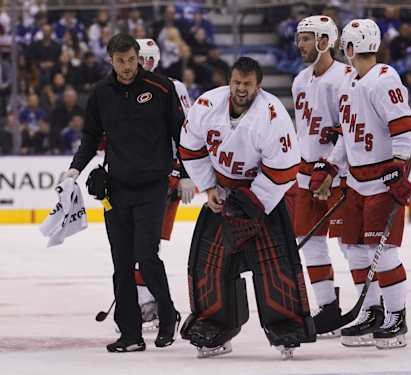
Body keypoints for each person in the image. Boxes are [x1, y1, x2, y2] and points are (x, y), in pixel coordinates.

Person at [178, 57, 316, 359]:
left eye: (247, 84)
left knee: (274, 264)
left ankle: (286, 326)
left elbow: (283, 170)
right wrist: (209, 187)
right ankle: (214, 325)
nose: (241, 89)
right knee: (210, 264)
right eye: (237, 82)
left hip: (262, 199)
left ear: (258, 86)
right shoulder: (206, 105)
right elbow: (190, 147)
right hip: (223, 194)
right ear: (230, 81)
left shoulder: (272, 115)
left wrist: (252, 203)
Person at [60, 33, 185, 352]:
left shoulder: (160, 87)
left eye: (131, 60)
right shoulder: (101, 92)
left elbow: (181, 134)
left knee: (145, 255)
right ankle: (130, 334)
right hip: (116, 190)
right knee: (121, 263)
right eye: (121, 61)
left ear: (138, 57)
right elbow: (90, 136)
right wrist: (75, 169)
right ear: (110, 60)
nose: (128, 67)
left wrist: (184, 174)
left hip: (153, 186)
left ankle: (167, 314)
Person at [314, 19, 411, 349]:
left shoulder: (384, 80)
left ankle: (396, 316)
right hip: (356, 182)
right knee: (354, 249)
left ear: (348, 48)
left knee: (382, 251)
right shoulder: (349, 84)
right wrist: (331, 166)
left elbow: (405, 129)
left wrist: (398, 168)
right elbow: (347, 134)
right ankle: (371, 311)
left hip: (382, 182)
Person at [292, 15, 359, 337]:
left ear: (324, 40)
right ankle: (328, 307)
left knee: (351, 244)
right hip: (307, 173)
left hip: (339, 174)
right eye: (299, 38)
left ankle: (371, 308)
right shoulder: (300, 80)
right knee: (309, 243)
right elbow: (302, 130)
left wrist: (332, 168)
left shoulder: (345, 78)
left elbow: (350, 130)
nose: (300, 44)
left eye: (306, 38)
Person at [132, 38, 196, 330]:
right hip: (131, 176)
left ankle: (145, 302)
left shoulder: (173, 87)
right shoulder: (119, 89)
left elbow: (187, 130)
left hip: (162, 176)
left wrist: (184, 171)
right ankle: (143, 301)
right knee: (135, 243)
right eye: (139, 58)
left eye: (148, 58)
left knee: (146, 244)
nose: (144, 64)